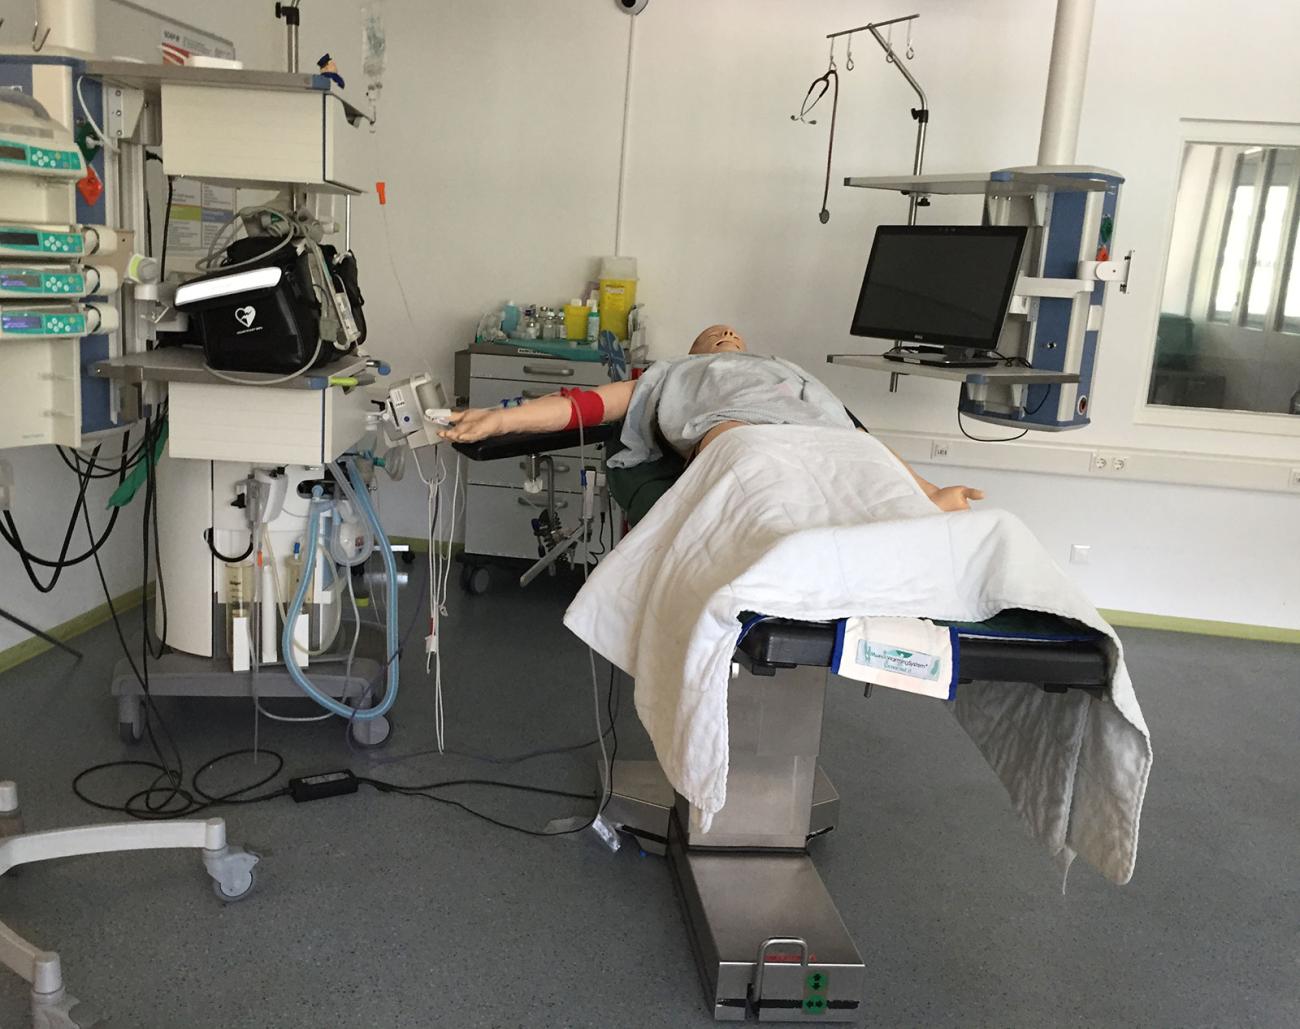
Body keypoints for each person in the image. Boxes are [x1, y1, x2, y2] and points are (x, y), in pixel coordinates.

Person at [439, 324, 984, 512]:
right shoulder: (672, 374)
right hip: (736, 433)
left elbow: (860, 436)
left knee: (858, 458)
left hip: (818, 438)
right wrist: (498, 420)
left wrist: (929, 490)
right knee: (744, 452)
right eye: (714, 335)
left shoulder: (785, 369)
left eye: (733, 334)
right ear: (694, 353)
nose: (727, 335)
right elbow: (586, 406)